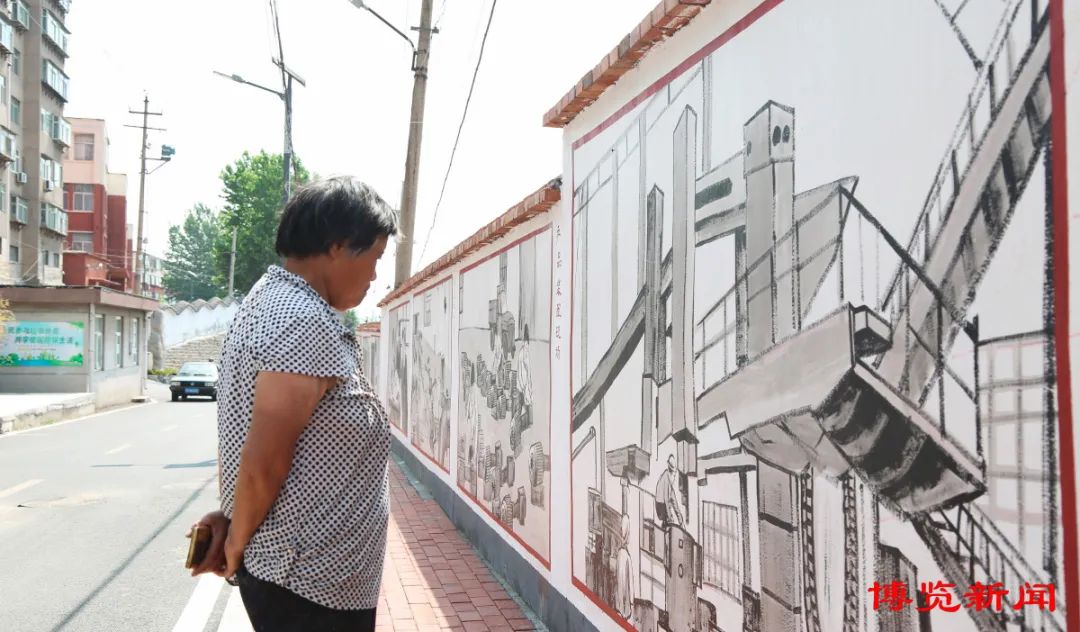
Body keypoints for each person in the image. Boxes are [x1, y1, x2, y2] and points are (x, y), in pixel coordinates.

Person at [189, 177, 397, 632]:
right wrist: (235, 545)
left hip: (309, 576)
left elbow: (245, 433)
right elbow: (265, 458)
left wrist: (233, 517)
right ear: (339, 245)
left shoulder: (276, 301)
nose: (375, 275)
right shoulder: (301, 320)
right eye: (376, 257)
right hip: (306, 581)